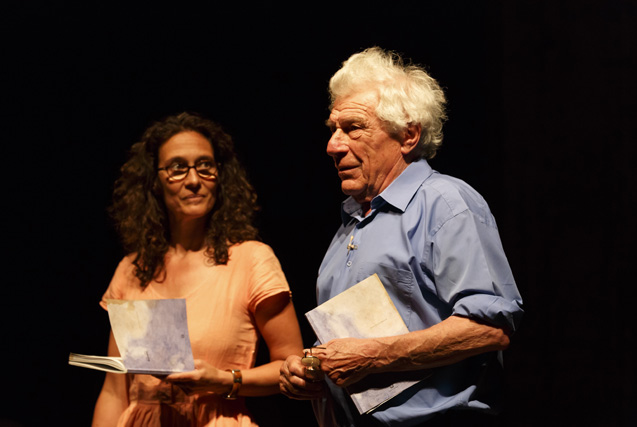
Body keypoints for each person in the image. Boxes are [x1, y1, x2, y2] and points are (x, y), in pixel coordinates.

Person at [279, 47, 524, 426]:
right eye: (333, 130)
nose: (333, 146)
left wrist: (372, 356)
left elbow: (489, 328)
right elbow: (355, 343)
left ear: (408, 135)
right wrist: (310, 367)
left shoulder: (446, 203)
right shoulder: (351, 222)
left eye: (353, 128)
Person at [92, 112, 304, 426]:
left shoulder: (250, 259)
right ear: (155, 181)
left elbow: (291, 364)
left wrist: (225, 381)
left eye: (205, 165)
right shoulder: (132, 269)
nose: (193, 180)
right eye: (177, 168)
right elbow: (114, 390)